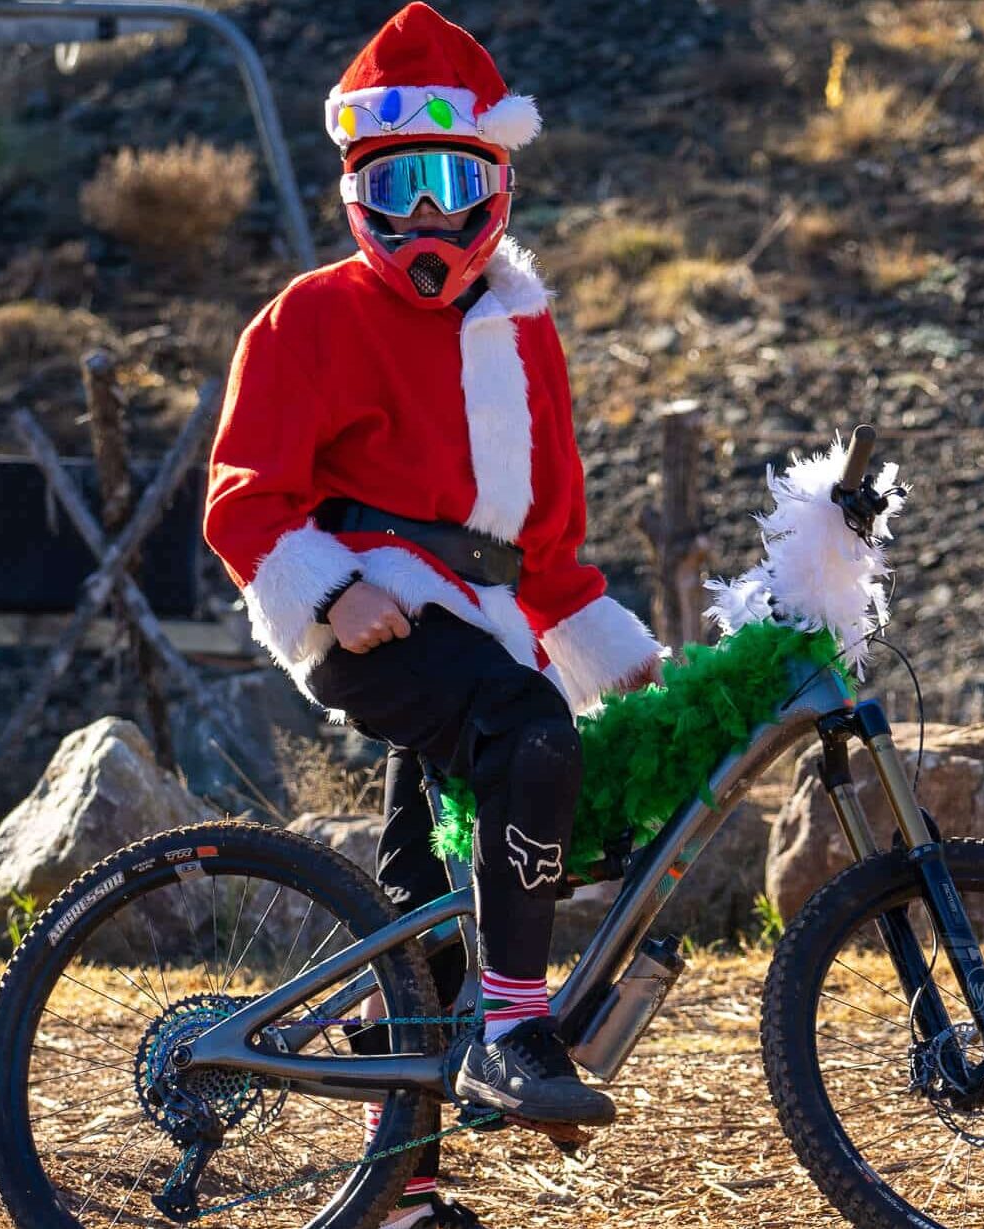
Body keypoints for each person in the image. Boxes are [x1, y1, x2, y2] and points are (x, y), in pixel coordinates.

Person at [202, 5, 666, 1225]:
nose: (422, 216)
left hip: (490, 615)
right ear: (359, 187)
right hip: (379, 613)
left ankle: (394, 1191)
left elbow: (549, 544)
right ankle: (515, 1031)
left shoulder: (524, 332)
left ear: (496, 185)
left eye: (449, 182)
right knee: (531, 736)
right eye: (395, 185)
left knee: (424, 895)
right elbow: (243, 495)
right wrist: (327, 592)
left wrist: (629, 662)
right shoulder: (310, 316)